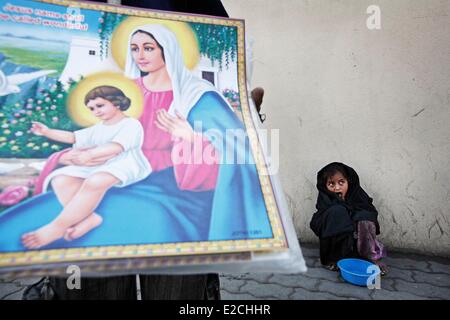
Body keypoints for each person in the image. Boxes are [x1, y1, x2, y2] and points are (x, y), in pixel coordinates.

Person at [18, 0, 272, 300]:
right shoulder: (123, 91)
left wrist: (191, 137)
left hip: (170, 186)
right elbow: (99, 133)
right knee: (91, 280)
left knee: (173, 287)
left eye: (149, 47)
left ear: (168, 48)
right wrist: (71, 153)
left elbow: (228, 144)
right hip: (119, 171)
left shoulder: (195, 94)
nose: (140, 55)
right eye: (135, 48)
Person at [22, 86, 151, 249]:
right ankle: (88, 219)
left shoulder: (130, 124)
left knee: (96, 181)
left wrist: (90, 155)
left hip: (125, 164)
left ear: (116, 103)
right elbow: (73, 137)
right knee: (60, 179)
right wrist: (47, 132)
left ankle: (56, 228)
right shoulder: (98, 128)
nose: (95, 111)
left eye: (100, 105)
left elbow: (116, 147)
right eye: (91, 109)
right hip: (98, 163)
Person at [309, 162, 388, 275]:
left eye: (341, 182)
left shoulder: (357, 195)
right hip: (335, 240)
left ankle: (371, 258)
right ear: (325, 186)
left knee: (364, 217)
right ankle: (334, 259)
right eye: (331, 184)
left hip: (356, 241)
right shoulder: (325, 199)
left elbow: (369, 211)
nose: (337, 188)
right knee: (337, 212)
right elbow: (318, 221)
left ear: (348, 182)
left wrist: (358, 218)